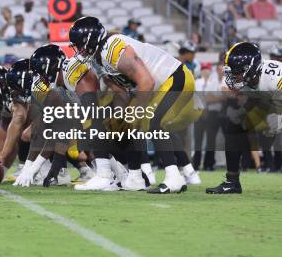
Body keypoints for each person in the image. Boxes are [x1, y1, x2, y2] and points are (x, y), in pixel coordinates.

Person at [69, 16, 202, 193]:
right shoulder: (99, 58)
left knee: (153, 122)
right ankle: (135, 176)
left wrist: (134, 113)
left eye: (79, 44)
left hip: (175, 77)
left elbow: (146, 82)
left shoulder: (113, 49)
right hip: (158, 87)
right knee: (120, 126)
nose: (77, 50)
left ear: (90, 40)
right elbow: (122, 92)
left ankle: (174, 177)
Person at [206, 43, 281, 194]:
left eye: (237, 72)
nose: (233, 76)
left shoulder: (275, 77)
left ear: (251, 68)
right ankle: (232, 182)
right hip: (269, 101)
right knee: (233, 126)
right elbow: (256, 96)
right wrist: (241, 112)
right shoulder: (250, 77)